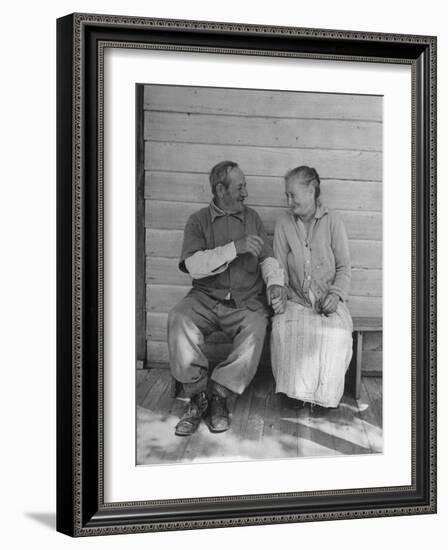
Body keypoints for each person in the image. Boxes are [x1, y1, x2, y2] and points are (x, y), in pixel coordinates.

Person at [168, 161, 285, 436]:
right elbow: (193, 265)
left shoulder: (252, 218)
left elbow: (267, 258)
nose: (246, 193)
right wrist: (235, 248)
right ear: (221, 189)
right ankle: (198, 396)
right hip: (205, 297)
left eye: (245, 186)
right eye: (240, 187)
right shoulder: (198, 221)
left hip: (246, 302)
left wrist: (275, 284)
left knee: (257, 328)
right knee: (178, 318)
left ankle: (219, 393)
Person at [270, 166, 353, 409]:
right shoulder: (283, 223)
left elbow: (344, 267)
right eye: (286, 195)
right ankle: (296, 394)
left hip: (328, 298)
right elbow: (278, 268)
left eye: (292, 195)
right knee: (283, 331)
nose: (288, 201)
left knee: (336, 335)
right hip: (296, 299)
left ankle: (323, 397)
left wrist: (336, 295)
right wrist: (280, 293)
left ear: (311, 190)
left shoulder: (333, 221)